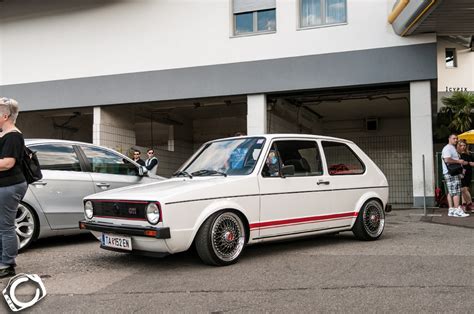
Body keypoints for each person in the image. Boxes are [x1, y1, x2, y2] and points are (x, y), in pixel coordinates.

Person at [0, 97, 28, 277]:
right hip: (5, 185)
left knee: (5, 226)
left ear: (5, 115)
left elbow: (8, 163)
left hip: (10, 185)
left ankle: (7, 264)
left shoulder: (13, 136)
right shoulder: (4, 134)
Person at [442, 134, 469, 217]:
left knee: (451, 192)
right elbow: (447, 160)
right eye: (454, 138)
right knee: (456, 191)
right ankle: (457, 209)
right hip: (451, 173)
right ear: (449, 139)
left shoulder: (451, 148)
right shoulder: (448, 148)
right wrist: (459, 162)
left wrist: (460, 162)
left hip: (451, 172)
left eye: (456, 138)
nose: (456, 140)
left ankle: (452, 210)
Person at [456, 139, 474, 211]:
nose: (463, 147)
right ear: (458, 146)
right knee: (464, 189)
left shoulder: (469, 154)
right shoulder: (457, 154)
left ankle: (465, 205)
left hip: (468, 172)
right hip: (461, 172)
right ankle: (470, 204)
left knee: (465, 189)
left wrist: (471, 163)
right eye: (461, 145)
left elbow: (472, 162)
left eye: (464, 145)